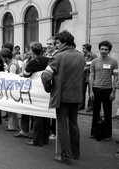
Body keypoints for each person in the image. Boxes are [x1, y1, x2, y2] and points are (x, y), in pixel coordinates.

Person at [41, 30, 85, 165]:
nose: (56, 45)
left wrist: (48, 88)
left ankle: (65, 156)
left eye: (58, 43)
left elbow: (45, 76)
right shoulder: (81, 56)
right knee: (73, 124)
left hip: (62, 96)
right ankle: (75, 152)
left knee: (62, 127)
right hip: (76, 95)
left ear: (64, 43)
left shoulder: (58, 57)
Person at [89, 40, 118, 141]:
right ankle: (94, 132)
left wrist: (113, 91)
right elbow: (91, 77)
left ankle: (107, 134)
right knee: (95, 112)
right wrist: (91, 91)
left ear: (109, 51)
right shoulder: (94, 62)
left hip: (108, 90)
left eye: (106, 49)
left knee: (107, 113)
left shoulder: (114, 62)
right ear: (99, 49)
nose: (103, 51)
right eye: (102, 49)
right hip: (96, 89)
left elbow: (115, 77)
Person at [23, 42, 50, 147]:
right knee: (46, 115)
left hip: (36, 91)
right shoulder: (48, 60)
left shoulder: (33, 62)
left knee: (37, 116)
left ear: (32, 51)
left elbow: (26, 75)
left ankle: (37, 140)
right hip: (46, 90)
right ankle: (45, 138)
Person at [0, 47, 21, 131]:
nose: (1, 59)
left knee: (12, 108)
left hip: (13, 88)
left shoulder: (12, 64)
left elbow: (11, 77)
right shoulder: (12, 63)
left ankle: (12, 126)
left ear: (6, 57)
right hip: (14, 88)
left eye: (2, 57)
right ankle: (13, 124)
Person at [45, 37, 58, 140]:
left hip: (55, 86)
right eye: (47, 44)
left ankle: (54, 131)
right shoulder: (47, 56)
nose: (48, 46)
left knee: (54, 110)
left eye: (50, 44)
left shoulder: (57, 56)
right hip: (47, 86)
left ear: (55, 45)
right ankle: (49, 129)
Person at [80, 44, 97, 112]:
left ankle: (91, 106)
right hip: (83, 76)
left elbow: (96, 65)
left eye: (83, 48)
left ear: (87, 49)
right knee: (82, 91)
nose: (82, 49)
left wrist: (87, 68)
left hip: (90, 76)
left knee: (91, 91)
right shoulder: (82, 56)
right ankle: (81, 106)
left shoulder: (93, 56)